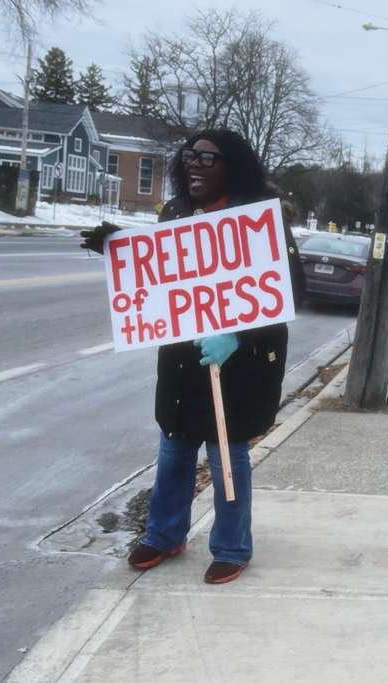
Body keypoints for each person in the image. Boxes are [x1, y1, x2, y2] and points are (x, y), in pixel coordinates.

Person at [81, 129, 303, 584]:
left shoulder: (260, 218)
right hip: (184, 360)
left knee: (228, 455)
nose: (194, 164)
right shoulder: (176, 212)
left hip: (237, 365)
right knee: (175, 446)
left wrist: (237, 337)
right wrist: (121, 247)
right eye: (189, 155)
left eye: (208, 157)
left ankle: (232, 546)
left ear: (233, 165)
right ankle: (165, 535)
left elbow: (290, 290)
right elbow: (164, 271)